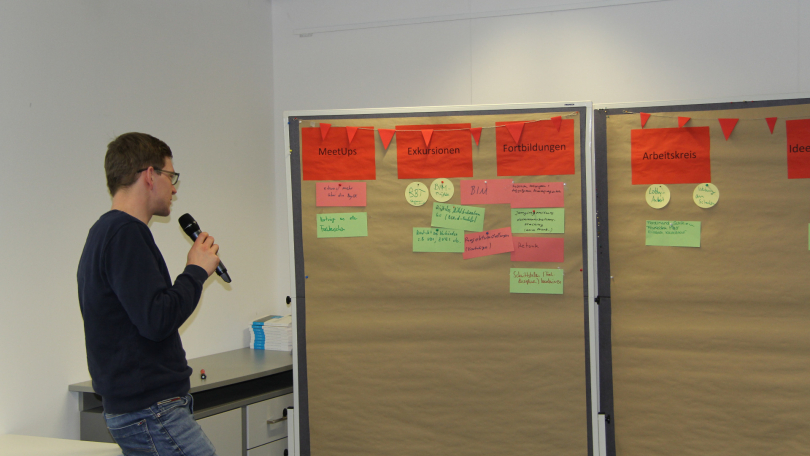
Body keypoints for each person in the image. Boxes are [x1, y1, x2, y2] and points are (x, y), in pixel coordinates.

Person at [77, 132, 222, 456]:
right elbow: (157, 319)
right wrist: (195, 271)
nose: (174, 188)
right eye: (171, 176)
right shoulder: (125, 233)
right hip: (150, 410)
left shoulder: (104, 232)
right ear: (149, 175)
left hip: (143, 408)